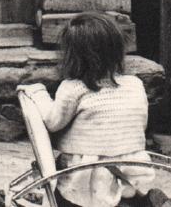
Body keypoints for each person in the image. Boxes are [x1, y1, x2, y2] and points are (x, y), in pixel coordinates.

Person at [18, 12, 155, 207]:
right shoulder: (135, 84)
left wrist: (38, 93)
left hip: (86, 178)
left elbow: (52, 122)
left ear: (73, 56)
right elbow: (140, 123)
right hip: (132, 173)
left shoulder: (74, 88)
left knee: (62, 191)